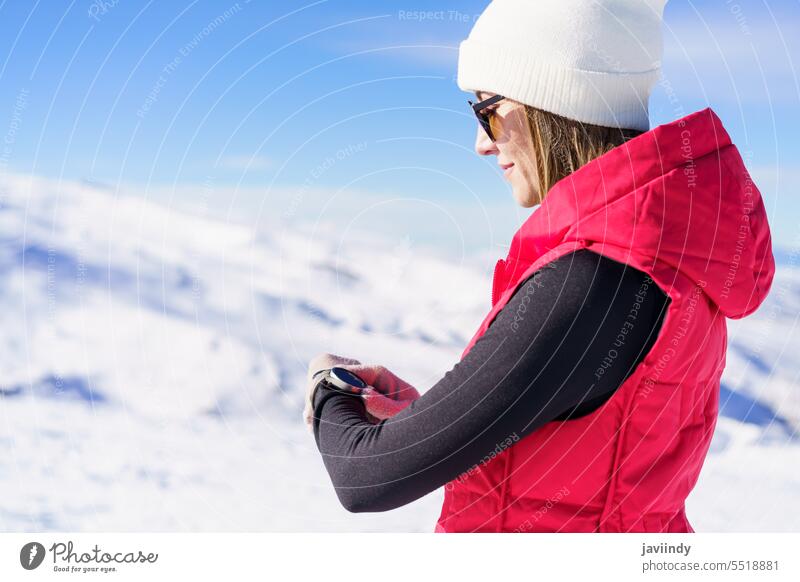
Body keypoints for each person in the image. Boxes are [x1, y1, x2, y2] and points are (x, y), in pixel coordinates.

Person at [304, 0, 776, 532]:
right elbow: (597, 443)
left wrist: (329, 389)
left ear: (551, 101)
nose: (481, 144)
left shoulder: (593, 279)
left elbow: (368, 476)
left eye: (486, 110)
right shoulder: (671, 259)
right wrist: (437, 418)